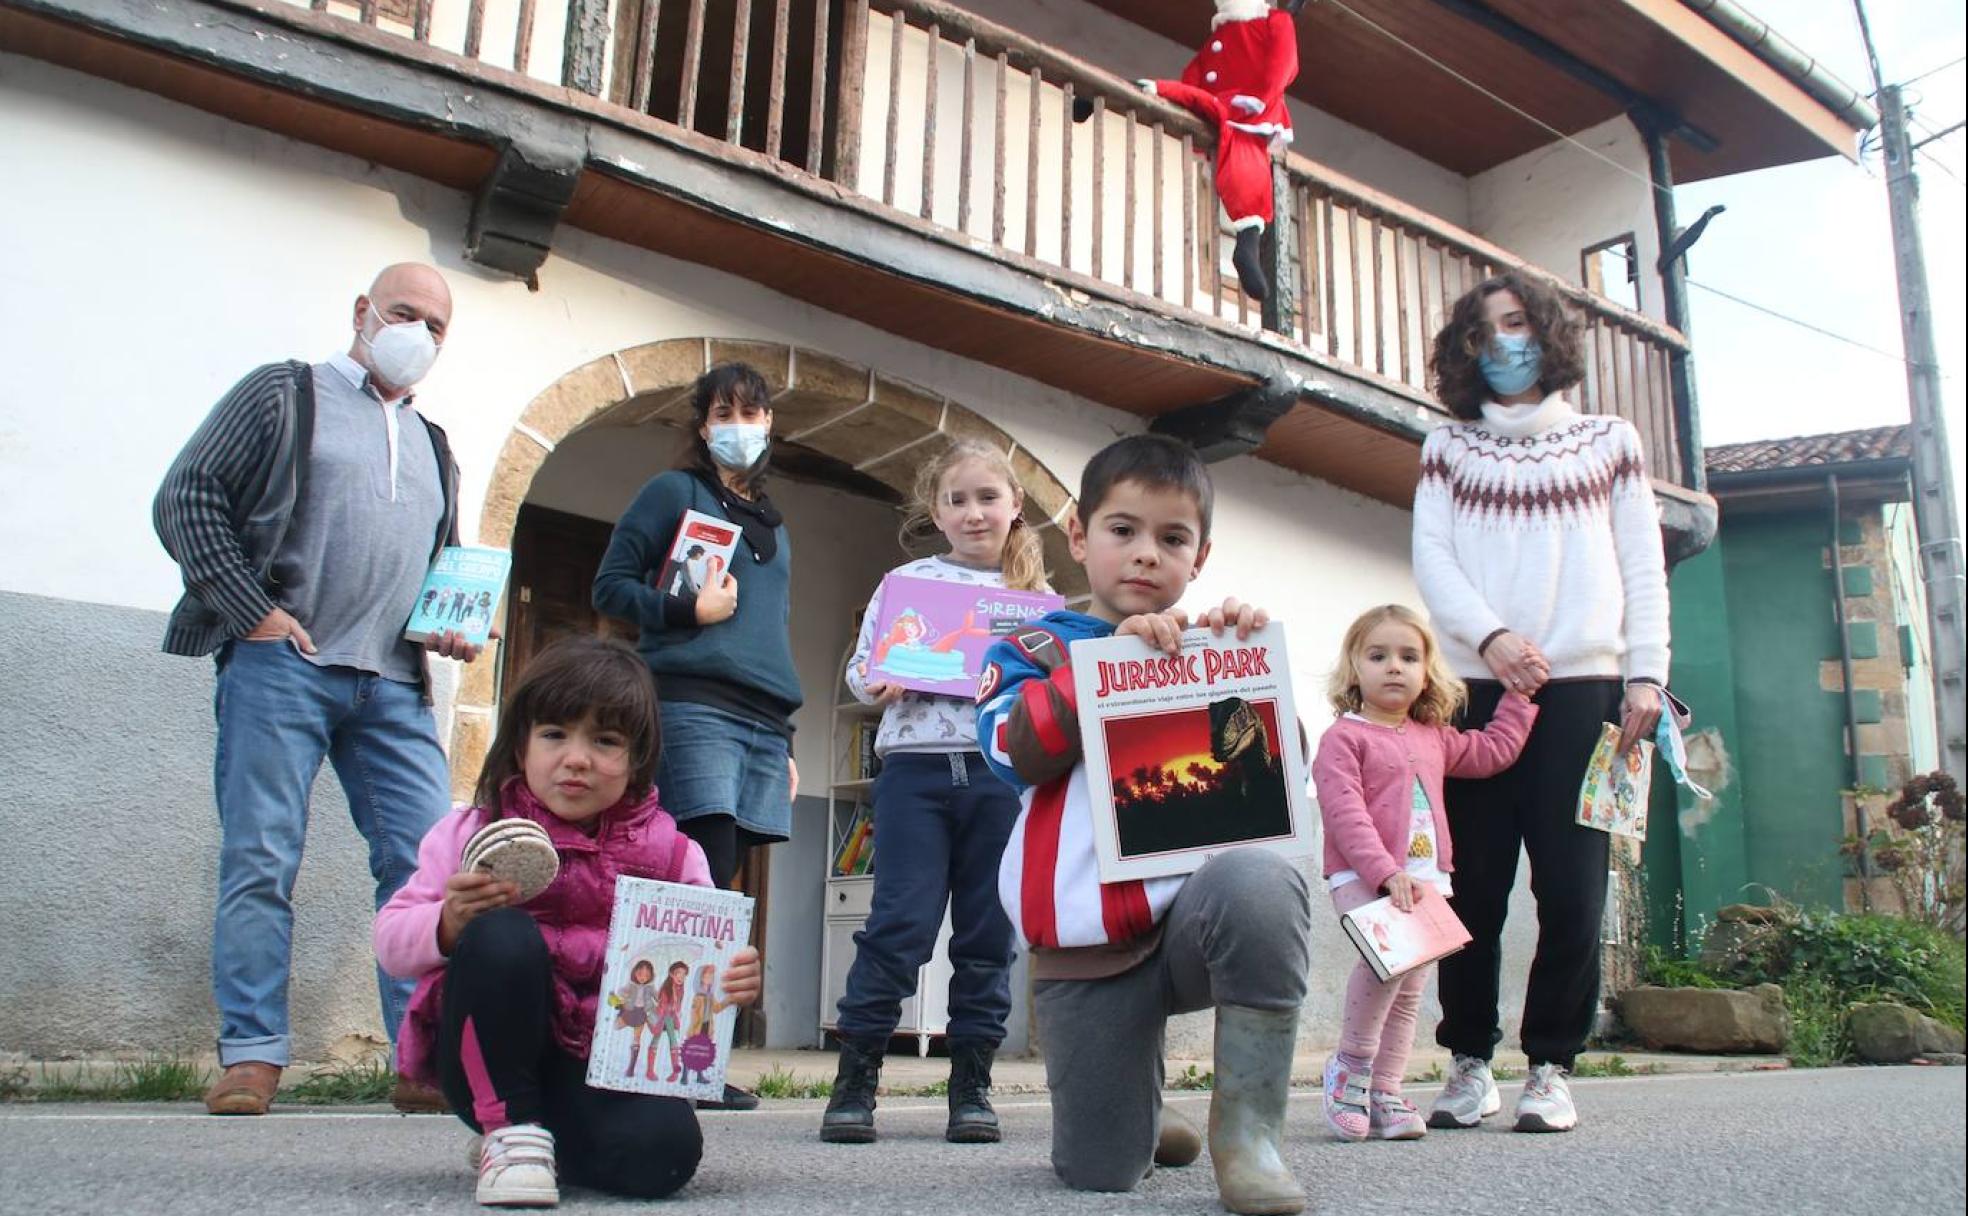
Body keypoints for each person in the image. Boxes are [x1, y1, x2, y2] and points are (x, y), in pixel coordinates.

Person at [153, 262, 489, 1117]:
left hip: (393, 686)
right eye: (405, 313)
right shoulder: (284, 393)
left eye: (436, 326)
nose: (419, 333)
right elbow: (186, 497)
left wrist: (448, 625)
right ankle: (254, 1056)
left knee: (421, 872)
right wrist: (249, 610)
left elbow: (441, 569)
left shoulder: (436, 444)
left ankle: (418, 1061)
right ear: (364, 313)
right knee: (262, 858)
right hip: (284, 668)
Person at [976, 434, 1311, 1215]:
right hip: (1086, 950)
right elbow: (1007, 750)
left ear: (1199, 557)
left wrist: (1250, 670)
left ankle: (1250, 1138)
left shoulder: (1213, 649)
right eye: (1123, 530)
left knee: (1262, 880)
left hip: (1194, 929)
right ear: (1079, 537)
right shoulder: (1031, 646)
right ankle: (1135, 1105)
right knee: (1100, 1171)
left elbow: (1282, 775)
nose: (1145, 555)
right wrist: (1097, 673)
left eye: (1172, 538)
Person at [1413, 270, 1670, 1133]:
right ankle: (1469, 1061)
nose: (1505, 342)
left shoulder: (1610, 442)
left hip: (1587, 687)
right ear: (1468, 352)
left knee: (1572, 889)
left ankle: (1552, 1067)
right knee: (1470, 889)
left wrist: (1647, 673)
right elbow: (1434, 559)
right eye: (1485, 332)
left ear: (1547, 333)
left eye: (1517, 323)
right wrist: (1489, 638)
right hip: (1474, 688)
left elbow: (1642, 562)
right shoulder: (1447, 449)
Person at [374, 636, 762, 1208]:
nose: (576, 759)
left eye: (605, 741)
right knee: (501, 932)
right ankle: (506, 1126)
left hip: (600, 1067)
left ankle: (535, 1140)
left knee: (664, 1156)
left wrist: (732, 982)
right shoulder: (469, 833)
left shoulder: (676, 856)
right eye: (555, 735)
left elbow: (704, 972)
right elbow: (391, 943)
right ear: (520, 748)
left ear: (636, 760)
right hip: (485, 1056)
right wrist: (448, 923)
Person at [820, 438, 1050, 1146]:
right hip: (915, 773)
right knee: (900, 925)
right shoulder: (905, 583)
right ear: (936, 511)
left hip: (999, 778)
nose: (974, 512)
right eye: (957, 500)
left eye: (988, 497)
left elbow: (1049, 697)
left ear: (1015, 506)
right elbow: (863, 672)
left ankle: (971, 1084)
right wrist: (880, 682)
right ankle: (855, 1078)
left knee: (987, 933)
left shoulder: (1036, 600)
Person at [592, 362, 799, 1111]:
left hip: (764, 723)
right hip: (692, 704)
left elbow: (772, 632)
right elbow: (608, 586)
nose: (738, 423)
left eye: (752, 410)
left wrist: (791, 740)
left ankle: (691, 1059)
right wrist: (686, 614)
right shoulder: (671, 493)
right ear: (703, 422)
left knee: (725, 883)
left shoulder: (776, 523)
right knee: (697, 871)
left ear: (769, 423)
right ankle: (678, 1064)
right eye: (723, 410)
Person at [1310, 604, 1536, 1142]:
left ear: (1426, 671)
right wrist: (1386, 873)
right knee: (1383, 967)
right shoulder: (1345, 738)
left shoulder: (1431, 736)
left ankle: (1386, 1089)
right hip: (1367, 878)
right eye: (1379, 655)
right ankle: (1350, 1071)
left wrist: (1519, 701)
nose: (1394, 667)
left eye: (1409, 657)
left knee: (1412, 986)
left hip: (1427, 878)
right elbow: (1344, 815)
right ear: (1354, 668)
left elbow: (1491, 752)